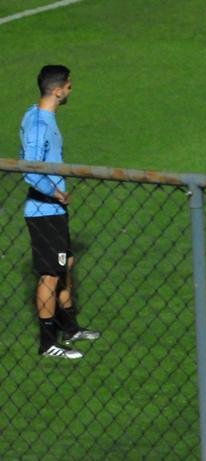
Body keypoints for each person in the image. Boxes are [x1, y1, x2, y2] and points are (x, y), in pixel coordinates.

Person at [20, 65, 100, 359]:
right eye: (68, 85)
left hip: (53, 209)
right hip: (44, 211)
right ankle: (47, 343)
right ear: (57, 90)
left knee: (65, 265)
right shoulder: (39, 124)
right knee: (49, 275)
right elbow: (29, 169)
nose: (70, 89)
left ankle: (70, 328)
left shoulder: (36, 115)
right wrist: (55, 192)